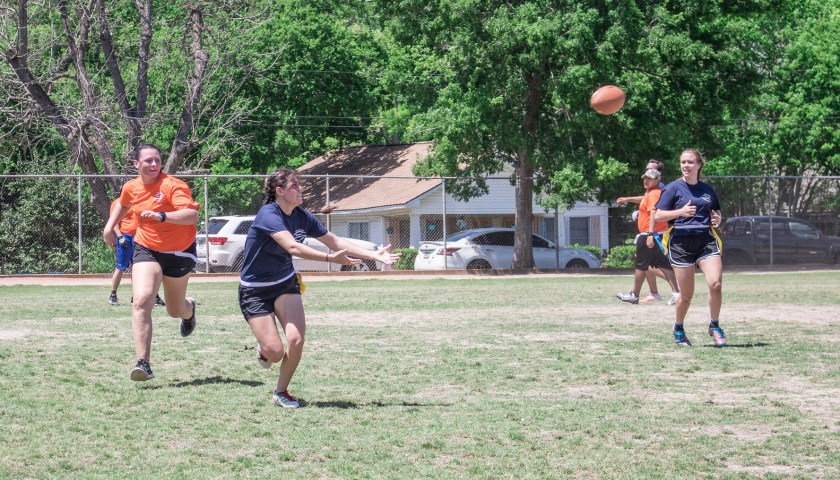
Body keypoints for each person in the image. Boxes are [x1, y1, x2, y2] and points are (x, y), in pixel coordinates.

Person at [239, 168, 401, 408]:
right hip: (255, 289)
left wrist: (373, 255)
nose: (301, 189)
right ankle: (265, 351)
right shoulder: (268, 214)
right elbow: (293, 248)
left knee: (296, 340)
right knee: (274, 352)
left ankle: (281, 392)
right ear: (280, 191)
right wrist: (329, 259)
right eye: (295, 186)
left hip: (285, 283)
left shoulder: (301, 215)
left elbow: (335, 242)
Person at [102, 144, 201, 381]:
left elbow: (192, 216)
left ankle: (189, 311)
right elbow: (124, 204)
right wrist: (109, 227)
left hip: (179, 252)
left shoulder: (172, 185)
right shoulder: (131, 187)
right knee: (142, 299)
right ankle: (143, 363)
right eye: (148, 161)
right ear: (136, 164)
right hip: (147, 248)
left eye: (157, 160)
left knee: (174, 309)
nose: (154, 165)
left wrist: (162, 216)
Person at [653, 148, 726, 347]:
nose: (686, 165)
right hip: (681, 243)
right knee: (686, 296)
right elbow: (657, 216)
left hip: (705, 239)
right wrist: (680, 211)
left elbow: (716, 212)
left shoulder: (707, 190)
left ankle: (715, 325)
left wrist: (717, 218)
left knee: (715, 284)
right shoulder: (673, 188)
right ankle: (678, 328)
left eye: (690, 162)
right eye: (683, 162)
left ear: (699, 165)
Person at [616, 159, 678, 304]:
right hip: (655, 233)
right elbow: (645, 201)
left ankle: (635, 294)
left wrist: (650, 233)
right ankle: (675, 292)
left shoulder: (656, 191)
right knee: (658, 265)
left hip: (651, 233)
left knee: (641, 264)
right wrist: (629, 200)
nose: (646, 179)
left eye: (649, 177)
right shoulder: (651, 191)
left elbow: (653, 213)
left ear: (657, 178)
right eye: (645, 176)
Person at [108, 197, 165, 307]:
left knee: (140, 267)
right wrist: (120, 237)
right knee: (121, 267)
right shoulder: (117, 203)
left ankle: (137, 297)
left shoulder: (139, 200)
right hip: (125, 236)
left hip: (140, 236)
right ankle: (113, 294)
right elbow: (113, 222)